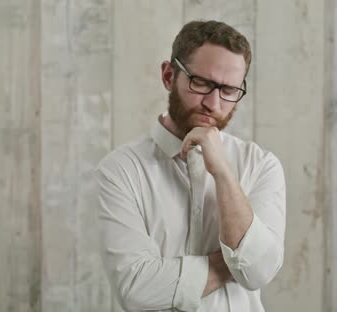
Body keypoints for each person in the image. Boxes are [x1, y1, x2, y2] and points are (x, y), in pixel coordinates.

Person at [94, 20, 286, 312]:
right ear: (169, 76)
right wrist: (231, 264)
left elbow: (258, 273)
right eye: (202, 83)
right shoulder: (119, 171)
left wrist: (222, 172)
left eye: (228, 90)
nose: (213, 103)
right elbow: (136, 289)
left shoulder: (261, 166)